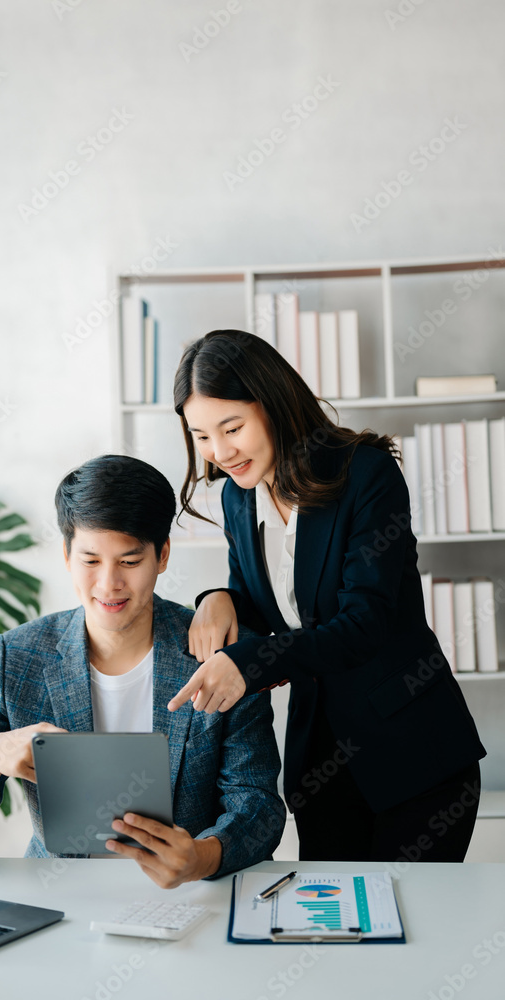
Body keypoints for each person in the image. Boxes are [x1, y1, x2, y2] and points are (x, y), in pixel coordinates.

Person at [167, 329, 486, 863]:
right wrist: (218, 596)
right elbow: (263, 601)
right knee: (333, 929)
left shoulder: (365, 474)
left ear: (273, 405)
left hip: (413, 754)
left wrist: (249, 664)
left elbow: (365, 622)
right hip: (321, 763)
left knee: (410, 935)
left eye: (232, 427)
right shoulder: (238, 499)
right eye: (201, 435)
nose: (220, 453)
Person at [0, 454, 285, 887]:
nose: (109, 584)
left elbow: (258, 805)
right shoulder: (16, 658)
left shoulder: (221, 656)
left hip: (191, 897)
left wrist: (202, 857)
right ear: (67, 555)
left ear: (162, 554)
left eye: (129, 562)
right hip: (61, 893)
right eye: (90, 561)